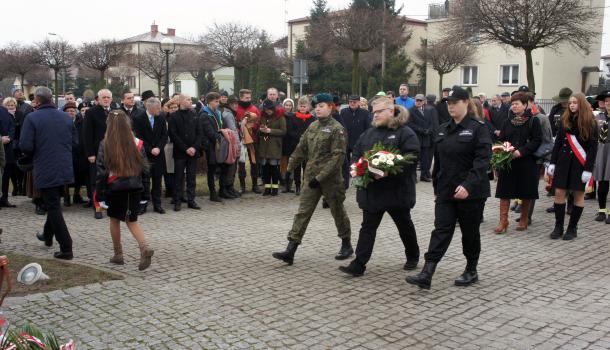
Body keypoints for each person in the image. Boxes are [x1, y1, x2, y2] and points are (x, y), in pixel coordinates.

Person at [406, 86, 492, 289]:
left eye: (455, 102)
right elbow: (440, 161)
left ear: (466, 103)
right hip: (446, 190)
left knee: (470, 233)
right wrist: (436, 184)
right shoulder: (444, 128)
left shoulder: (479, 128)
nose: (451, 106)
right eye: (449, 103)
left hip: (471, 193)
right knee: (441, 230)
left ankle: (471, 269)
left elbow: (483, 161)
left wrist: (468, 185)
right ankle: (427, 272)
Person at [339, 98, 420, 277]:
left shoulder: (405, 132)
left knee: (404, 225)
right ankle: (358, 264)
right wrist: (356, 169)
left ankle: (413, 255)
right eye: (373, 112)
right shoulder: (368, 134)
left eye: (379, 112)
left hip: (397, 192)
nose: (375, 115)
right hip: (373, 192)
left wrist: (389, 171)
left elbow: (412, 157)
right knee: (367, 228)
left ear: (391, 111)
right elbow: (357, 154)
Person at [272, 93, 353, 265]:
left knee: (337, 211)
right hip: (311, 178)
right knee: (303, 212)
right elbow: (300, 148)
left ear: (330, 107)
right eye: (316, 106)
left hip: (330, 180)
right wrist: (288, 169)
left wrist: (321, 177)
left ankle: (346, 244)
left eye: (321, 106)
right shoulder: (313, 126)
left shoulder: (336, 128)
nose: (318, 109)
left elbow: (338, 157)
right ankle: (290, 249)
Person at [20, 87, 76, 260]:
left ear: (37, 100)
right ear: (51, 99)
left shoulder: (32, 118)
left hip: (46, 167)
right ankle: (47, 234)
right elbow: (74, 142)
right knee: (53, 203)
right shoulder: (66, 117)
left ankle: (66, 247)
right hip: (64, 167)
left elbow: (25, 146)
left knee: (52, 206)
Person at [95, 110, 154, 271]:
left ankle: (118, 254)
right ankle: (144, 247)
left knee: (114, 220)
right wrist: (145, 193)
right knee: (132, 221)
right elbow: (144, 169)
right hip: (135, 187)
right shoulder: (138, 143)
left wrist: (99, 193)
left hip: (115, 189)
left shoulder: (105, 143)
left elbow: (101, 172)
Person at [548, 93, 599, 240]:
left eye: (575, 103)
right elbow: (558, 143)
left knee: (578, 195)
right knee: (559, 193)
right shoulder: (565, 119)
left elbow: (592, 148)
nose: (571, 105)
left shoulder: (591, 122)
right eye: (570, 103)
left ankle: (572, 228)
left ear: (581, 104)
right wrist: (552, 162)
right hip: (563, 162)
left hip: (579, 164)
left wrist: (588, 169)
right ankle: (558, 227)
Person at [493, 92, 542, 233]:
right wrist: (503, 149)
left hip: (526, 161)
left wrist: (521, 152)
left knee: (525, 191)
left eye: (517, 104)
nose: (514, 106)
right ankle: (503, 221)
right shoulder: (507, 121)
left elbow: (537, 140)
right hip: (508, 162)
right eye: (512, 104)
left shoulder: (533, 121)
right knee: (504, 192)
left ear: (525, 105)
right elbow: (501, 139)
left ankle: (524, 219)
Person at [133, 97, 168, 214]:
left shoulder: (161, 118)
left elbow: (164, 135)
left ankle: (157, 204)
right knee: (145, 181)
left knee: (158, 181)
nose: (160, 110)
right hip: (145, 155)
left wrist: (158, 147)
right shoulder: (138, 119)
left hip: (158, 154)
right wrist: (150, 149)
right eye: (158, 108)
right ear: (151, 108)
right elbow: (138, 137)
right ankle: (143, 204)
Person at [169, 94, 202, 211]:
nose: (190, 102)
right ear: (181, 101)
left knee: (191, 177)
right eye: (188, 100)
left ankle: (191, 200)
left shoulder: (195, 114)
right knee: (178, 177)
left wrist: (194, 147)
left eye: (191, 100)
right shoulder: (173, 117)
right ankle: (177, 200)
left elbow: (199, 133)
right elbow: (173, 135)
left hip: (193, 152)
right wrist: (185, 148)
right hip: (180, 152)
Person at [83, 89, 114, 219]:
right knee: (97, 180)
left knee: (111, 179)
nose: (106, 99)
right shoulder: (91, 112)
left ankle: (110, 204)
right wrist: (90, 153)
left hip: (113, 152)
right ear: (98, 99)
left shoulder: (115, 113)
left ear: (111, 99)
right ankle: (97, 206)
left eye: (108, 97)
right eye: (103, 97)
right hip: (97, 153)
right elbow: (87, 134)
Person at [200, 92, 228, 202]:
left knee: (222, 167)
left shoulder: (217, 112)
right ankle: (212, 193)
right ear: (210, 102)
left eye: (218, 101)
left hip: (219, 144)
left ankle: (222, 190)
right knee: (212, 170)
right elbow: (209, 132)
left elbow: (222, 126)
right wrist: (222, 137)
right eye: (216, 101)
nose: (218, 103)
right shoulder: (204, 114)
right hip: (211, 146)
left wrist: (225, 134)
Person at [341, 95, 372, 186]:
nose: (352, 104)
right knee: (345, 163)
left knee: (359, 163)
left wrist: (366, 139)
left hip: (359, 142)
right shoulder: (343, 112)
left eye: (354, 102)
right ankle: (345, 182)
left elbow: (368, 127)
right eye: (350, 102)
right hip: (346, 141)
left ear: (358, 103)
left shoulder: (365, 113)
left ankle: (359, 181)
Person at [258, 99, 287, 196]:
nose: (268, 111)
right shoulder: (262, 116)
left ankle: (275, 188)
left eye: (269, 109)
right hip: (264, 146)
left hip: (274, 146)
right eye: (266, 109)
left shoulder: (280, 117)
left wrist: (270, 130)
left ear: (273, 108)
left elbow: (283, 131)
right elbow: (259, 130)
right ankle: (267, 188)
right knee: (265, 168)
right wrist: (261, 130)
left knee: (274, 168)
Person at [236, 89, 261, 194]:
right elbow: (234, 123)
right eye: (246, 98)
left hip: (253, 139)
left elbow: (259, 122)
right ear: (241, 98)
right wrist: (241, 128)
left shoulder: (255, 109)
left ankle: (255, 185)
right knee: (241, 163)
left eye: (250, 97)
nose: (249, 99)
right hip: (241, 140)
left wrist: (251, 127)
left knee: (254, 163)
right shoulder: (236, 109)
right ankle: (242, 186)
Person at [408, 94, 438, 182]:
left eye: (420, 100)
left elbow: (432, 122)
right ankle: (413, 176)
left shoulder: (428, 110)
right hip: (416, 137)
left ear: (424, 101)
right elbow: (410, 124)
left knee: (425, 158)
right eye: (417, 100)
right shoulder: (410, 111)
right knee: (415, 158)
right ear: (415, 101)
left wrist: (429, 130)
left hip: (426, 138)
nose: (418, 102)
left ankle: (424, 175)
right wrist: (421, 130)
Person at [593, 91, 610, 224]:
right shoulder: (598, 117)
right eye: (607, 101)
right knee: (602, 182)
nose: (608, 103)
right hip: (601, 151)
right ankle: (602, 210)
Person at [221, 96, 241, 198]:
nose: (236, 105)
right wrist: (238, 146)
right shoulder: (228, 115)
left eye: (237, 103)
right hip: (231, 145)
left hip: (231, 144)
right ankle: (226, 189)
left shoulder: (230, 113)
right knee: (230, 168)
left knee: (232, 168)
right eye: (233, 104)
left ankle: (230, 188)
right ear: (229, 104)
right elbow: (233, 131)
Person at [162, 98, 179, 200]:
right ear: (168, 109)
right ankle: (170, 191)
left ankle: (178, 192)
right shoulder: (164, 119)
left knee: (178, 171)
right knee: (169, 171)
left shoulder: (180, 117)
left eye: (175, 107)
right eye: (171, 108)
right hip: (168, 147)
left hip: (179, 146)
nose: (174, 109)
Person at [281, 98, 296, 192]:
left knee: (291, 164)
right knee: (283, 165)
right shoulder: (280, 116)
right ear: (284, 106)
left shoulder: (295, 116)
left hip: (292, 144)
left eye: (290, 105)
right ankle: (284, 183)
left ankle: (290, 184)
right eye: (286, 105)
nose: (288, 107)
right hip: (282, 143)